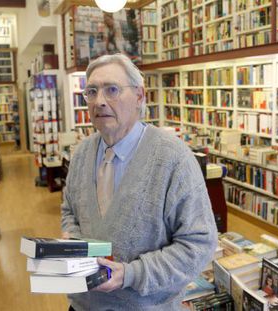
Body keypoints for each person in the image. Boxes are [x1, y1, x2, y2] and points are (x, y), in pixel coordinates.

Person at [61, 53, 218, 310]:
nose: (99, 101)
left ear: (139, 96)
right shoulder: (81, 153)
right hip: (83, 304)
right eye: (92, 91)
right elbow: (69, 209)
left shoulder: (173, 158)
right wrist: (76, 244)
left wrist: (131, 274)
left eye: (112, 89)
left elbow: (199, 244)